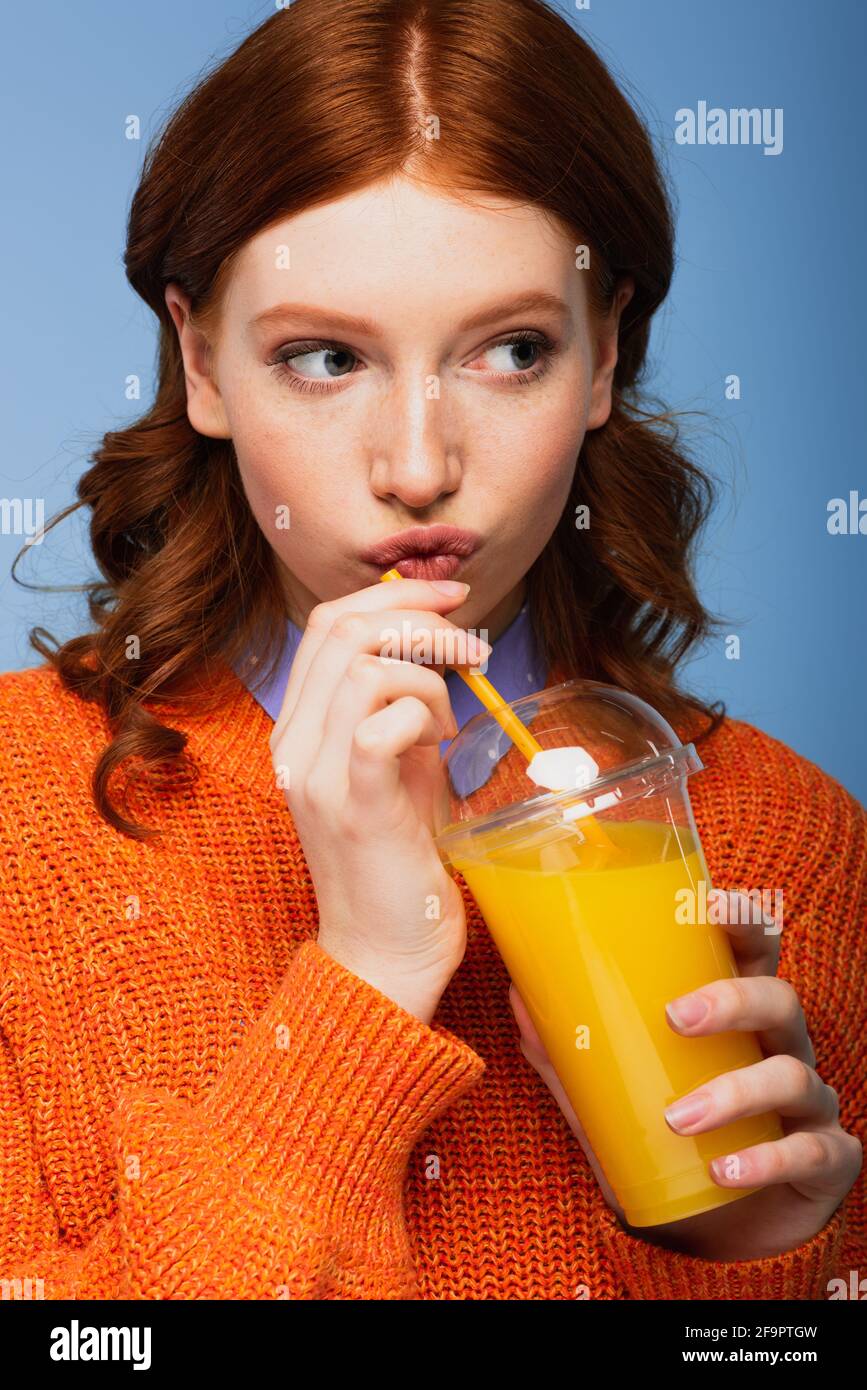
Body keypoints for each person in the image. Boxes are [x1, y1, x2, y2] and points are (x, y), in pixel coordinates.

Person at [1, 0, 862, 1300]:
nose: (420, 469)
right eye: (324, 357)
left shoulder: (788, 844)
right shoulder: (20, 821)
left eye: (512, 351)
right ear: (203, 362)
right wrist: (363, 976)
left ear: (605, 352)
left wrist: (755, 1269)